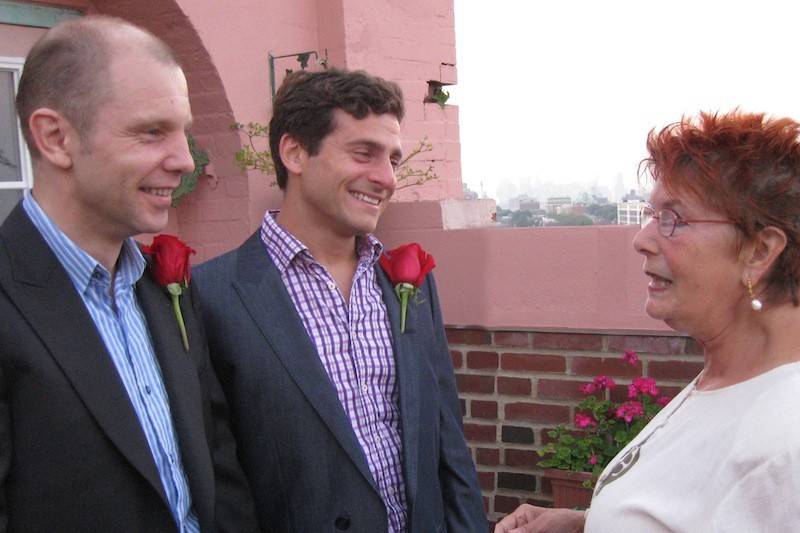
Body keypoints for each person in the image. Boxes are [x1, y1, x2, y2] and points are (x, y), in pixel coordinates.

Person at [194, 69, 486, 532]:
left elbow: (446, 439)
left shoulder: (408, 283)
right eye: (363, 153)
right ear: (294, 152)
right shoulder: (211, 296)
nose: (386, 178)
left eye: (393, 159)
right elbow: (219, 478)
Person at [0, 16, 258, 532]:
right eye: (151, 132)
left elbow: (215, 458)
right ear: (55, 137)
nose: (185, 160)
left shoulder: (166, 289)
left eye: (183, 132)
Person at [495, 110, 800, 533]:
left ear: (760, 251)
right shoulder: (726, 382)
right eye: (651, 215)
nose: (642, 240)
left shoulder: (787, 443)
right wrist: (587, 523)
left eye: (674, 219)